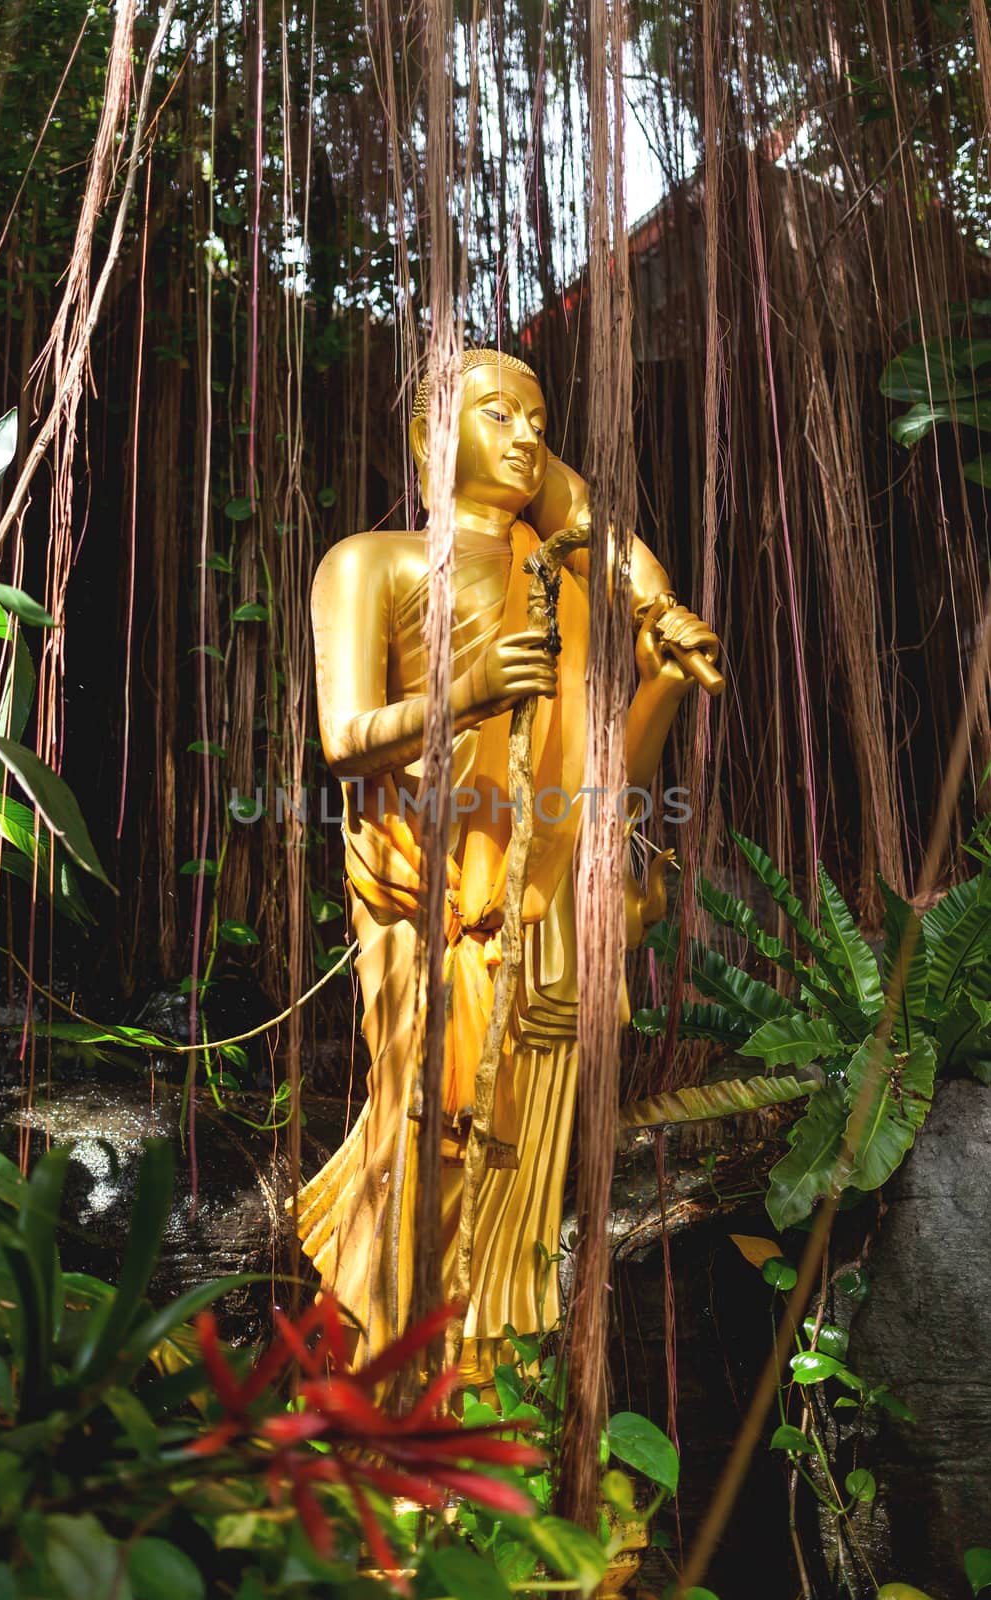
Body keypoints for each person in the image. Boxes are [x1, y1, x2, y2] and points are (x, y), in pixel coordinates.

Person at [296, 348, 718, 1381]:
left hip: (544, 918)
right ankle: (373, 1399)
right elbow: (345, 738)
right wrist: (467, 687)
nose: (529, 436)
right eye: (499, 414)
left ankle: (479, 1397)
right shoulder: (375, 563)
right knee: (425, 1140)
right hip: (427, 909)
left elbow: (605, 772)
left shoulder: (563, 577)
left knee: (519, 1169)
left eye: (539, 418)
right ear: (435, 437)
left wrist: (660, 681)